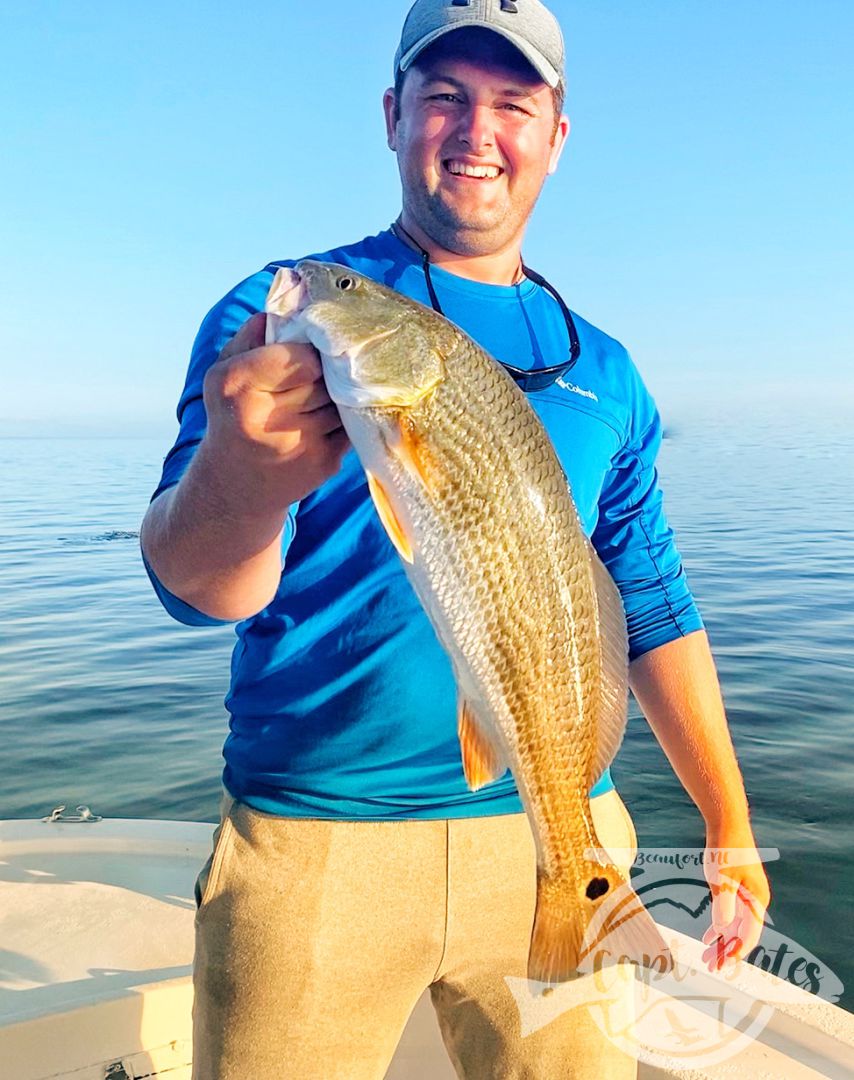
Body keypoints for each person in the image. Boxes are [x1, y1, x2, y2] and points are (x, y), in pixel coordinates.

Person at [140, 1, 771, 1076]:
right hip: (316, 842)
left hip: (561, 819)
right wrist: (243, 481)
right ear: (392, 116)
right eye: (443, 98)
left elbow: (652, 601)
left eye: (511, 104)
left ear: (554, 138)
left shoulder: (604, 371)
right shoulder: (274, 313)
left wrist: (726, 819)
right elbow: (194, 588)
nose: (476, 131)